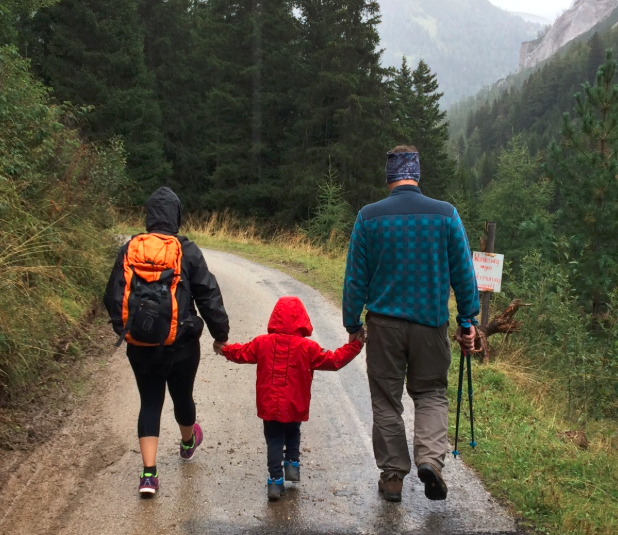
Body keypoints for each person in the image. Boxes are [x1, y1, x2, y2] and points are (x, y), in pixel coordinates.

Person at [343, 146, 479, 503]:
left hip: (384, 326)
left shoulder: (368, 218)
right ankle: (430, 461)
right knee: (431, 393)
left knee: (386, 401)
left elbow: (355, 279)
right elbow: (464, 275)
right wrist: (468, 321)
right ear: (416, 174)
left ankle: (392, 479)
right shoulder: (446, 215)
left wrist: (351, 322)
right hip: (431, 324)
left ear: (389, 177)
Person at [104, 187, 230, 496]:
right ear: (176, 216)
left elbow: (112, 296)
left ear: (148, 216)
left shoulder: (130, 248)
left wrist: (127, 329)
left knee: (149, 402)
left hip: (140, 346)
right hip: (181, 344)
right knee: (182, 396)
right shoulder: (186, 250)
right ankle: (188, 442)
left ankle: (149, 475)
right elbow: (208, 294)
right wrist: (220, 335)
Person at [216, 296, 363, 501]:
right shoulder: (308, 347)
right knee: (293, 430)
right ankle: (292, 464)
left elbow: (242, 352)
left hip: (269, 404)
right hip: (295, 402)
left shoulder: (262, 343)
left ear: (275, 317)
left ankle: (275, 481)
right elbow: (334, 360)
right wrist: (355, 346)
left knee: (274, 439)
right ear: (302, 319)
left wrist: (224, 349)